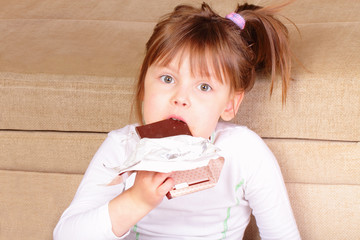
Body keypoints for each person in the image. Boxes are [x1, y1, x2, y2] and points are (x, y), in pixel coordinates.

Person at [54, 2, 300, 239]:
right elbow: (66, 235)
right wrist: (136, 199)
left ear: (230, 104)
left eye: (203, 86)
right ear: (143, 86)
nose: (180, 98)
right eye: (167, 79)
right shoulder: (122, 147)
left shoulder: (244, 151)